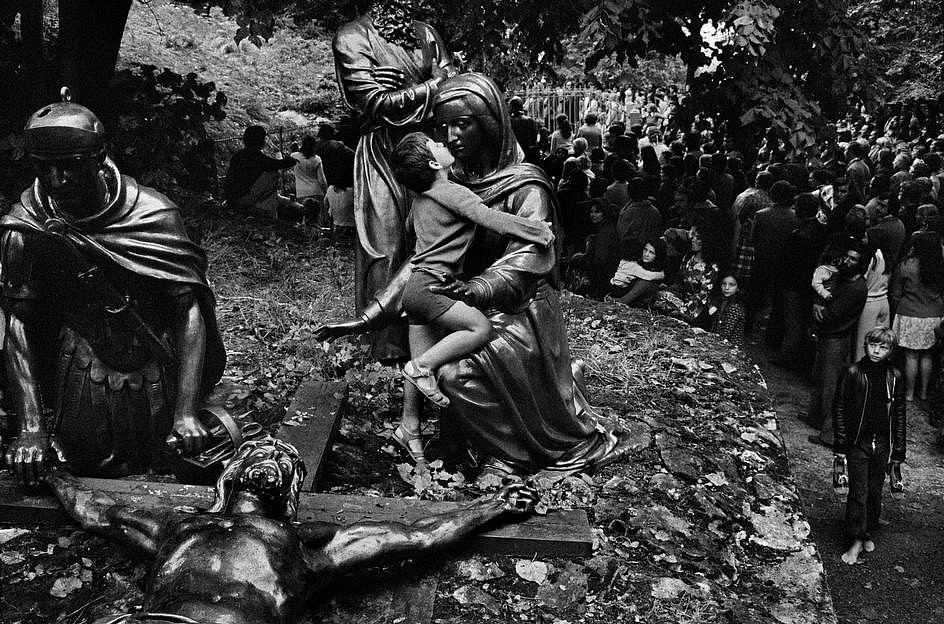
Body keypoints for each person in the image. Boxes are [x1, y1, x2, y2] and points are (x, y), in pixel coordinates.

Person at [314, 73, 627, 480]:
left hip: (519, 309)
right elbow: (422, 260)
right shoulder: (445, 186)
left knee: (455, 372)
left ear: (490, 121)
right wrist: (370, 315)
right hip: (456, 299)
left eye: (463, 123)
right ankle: (446, 437)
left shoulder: (527, 185)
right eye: (444, 127)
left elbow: (530, 257)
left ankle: (509, 455)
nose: (453, 135)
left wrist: (477, 288)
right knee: (436, 355)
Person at [45, 437, 538, 624]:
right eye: (261, 451)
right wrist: (50, 472)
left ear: (290, 492)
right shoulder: (177, 525)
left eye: (285, 459)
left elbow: (416, 537)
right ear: (232, 474)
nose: (274, 456)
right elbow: (99, 511)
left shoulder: (304, 547)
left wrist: (494, 505)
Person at [3, 92, 226, 484]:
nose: (58, 181)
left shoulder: (154, 214)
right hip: (82, 363)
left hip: (154, 362)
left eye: (70, 167)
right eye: (45, 168)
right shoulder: (27, 226)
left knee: (170, 455)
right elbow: (17, 322)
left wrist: (186, 410)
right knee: (84, 458)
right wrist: (32, 426)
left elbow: (187, 310)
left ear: (98, 158)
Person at [388, 131, 554, 460]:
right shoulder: (452, 192)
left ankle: (409, 429)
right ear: (435, 163)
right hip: (434, 287)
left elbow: (410, 236)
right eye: (436, 144)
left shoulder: (420, 201)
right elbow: (491, 219)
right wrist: (539, 231)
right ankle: (419, 369)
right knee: (479, 329)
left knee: (421, 361)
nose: (445, 141)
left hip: (415, 289)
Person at [333, 0, 457, 361]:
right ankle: (383, 348)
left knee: (430, 242)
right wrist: (429, 87)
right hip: (383, 156)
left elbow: (453, 85)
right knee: (386, 246)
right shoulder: (352, 35)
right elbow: (373, 102)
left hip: (426, 151)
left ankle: (430, 339)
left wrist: (409, 93)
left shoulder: (427, 33)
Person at [832, 327, 906, 565]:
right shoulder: (852, 372)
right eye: (873, 345)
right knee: (859, 492)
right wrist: (841, 444)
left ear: (891, 351)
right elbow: (840, 408)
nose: (876, 350)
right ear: (865, 345)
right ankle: (854, 540)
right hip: (858, 441)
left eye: (883, 347)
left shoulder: (895, 377)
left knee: (875, 491)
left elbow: (900, 414)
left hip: (882, 442)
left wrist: (899, 451)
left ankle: (866, 532)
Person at [806, 240, 868, 447]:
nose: (848, 261)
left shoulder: (855, 288)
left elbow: (831, 314)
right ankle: (815, 417)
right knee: (819, 378)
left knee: (832, 387)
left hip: (836, 339)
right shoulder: (844, 278)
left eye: (853, 259)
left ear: (861, 263)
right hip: (829, 336)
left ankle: (829, 435)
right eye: (847, 257)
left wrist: (818, 310)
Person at [889, 234, 944, 401]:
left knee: (911, 356)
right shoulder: (939, 266)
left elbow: (896, 293)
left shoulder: (906, 265)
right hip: (934, 314)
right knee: (927, 356)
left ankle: (910, 393)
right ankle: (924, 392)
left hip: (910, 313)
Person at [224, 125, 303, 218]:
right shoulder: (255, 156)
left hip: (233, 198)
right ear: (259, 140)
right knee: (273, 173)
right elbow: (275, 164)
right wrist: (292, 159)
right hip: (246, 198)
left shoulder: (238, 156)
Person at [652, 224, 722, 326]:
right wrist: (670, 291)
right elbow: (679, 281)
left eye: (697, 238)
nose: (693, 240)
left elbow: (703, 295)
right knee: (660, 296)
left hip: (697, 305)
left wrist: (683, 310)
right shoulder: (688, 258)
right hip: (682, 298)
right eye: (693, 237)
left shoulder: (711, 267)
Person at [564, 199, 621, 300]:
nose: (593, 215)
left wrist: (580, 260)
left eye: (597, 212)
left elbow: (599, 261)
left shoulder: (605, 233)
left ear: (604, 213)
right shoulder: (604, 229)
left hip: (604, 278)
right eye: (591, 212)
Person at [608, 238, 666, 307]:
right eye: (645, 250)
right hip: (621, 294)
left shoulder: (654, 269)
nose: (646, 254)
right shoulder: (635, 264)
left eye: (651, 252)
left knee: (645, 282)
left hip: (636, 304)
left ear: (657, 255)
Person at [290, 136, 328, 224]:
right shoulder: (317, 159)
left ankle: (306, 235)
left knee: (305, 218)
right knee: (318, 219)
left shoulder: (294, 156)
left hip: (302, 192)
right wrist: (326, 192)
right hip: (317, 191)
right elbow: (321, 179)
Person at [708, 274, 746, 348]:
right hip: (719, 342)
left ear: (738, 288)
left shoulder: (734, 307)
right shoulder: (722, 301)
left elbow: (725, 332)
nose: (727, 288)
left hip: (731, 347)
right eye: (724, 284)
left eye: (731, 285)